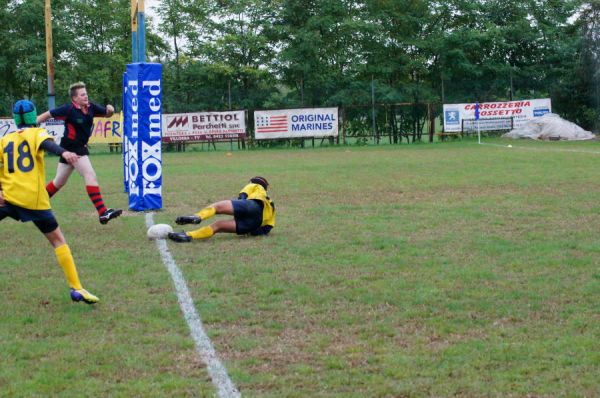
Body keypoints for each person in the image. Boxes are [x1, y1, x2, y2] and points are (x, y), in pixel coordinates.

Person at [0, 100, 99, 304]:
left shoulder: (5, 139)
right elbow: (48, 144)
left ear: (15, 119)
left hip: (7, 197)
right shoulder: (37, 133)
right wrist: (63, 152)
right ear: (33, 116)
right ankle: (76, 287)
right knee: (58, 241)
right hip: (32, 200)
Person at [36, 81, 122, 225]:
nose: (86, 96)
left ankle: (35, 204)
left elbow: (107, 114)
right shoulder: (68, 109)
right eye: (82, 95)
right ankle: (102, 213)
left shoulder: (91, 107)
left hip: (74, 148)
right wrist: (31, 125)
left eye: (86, 94)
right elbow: (47, 114)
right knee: (90, 175)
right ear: (74, 98)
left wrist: (111, 109)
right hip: (72, 148)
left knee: (59, 182)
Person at [169, 176, 276, 242]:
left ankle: (197, 217)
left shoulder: (256, 185)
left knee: (217, 207)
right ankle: (188, 236)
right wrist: (253, 231)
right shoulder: (271, 204)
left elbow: (244, 193)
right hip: (254, 223)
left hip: (253, 205)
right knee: (218, 226)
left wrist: (241, 201)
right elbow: (269, 227)